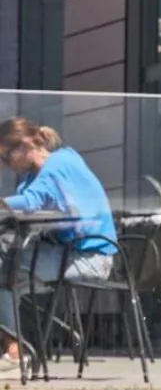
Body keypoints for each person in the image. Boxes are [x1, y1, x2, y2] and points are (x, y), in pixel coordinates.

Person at [0, 117, 117, 370]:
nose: (6, 166)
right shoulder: (41, 173)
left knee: (4, 271)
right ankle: (15, 351)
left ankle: (15, 354)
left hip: (90, 258)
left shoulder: (58, 165)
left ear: (25, 143)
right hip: (70, 253)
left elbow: (31, 202)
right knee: (6, 277)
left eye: (6, 157)